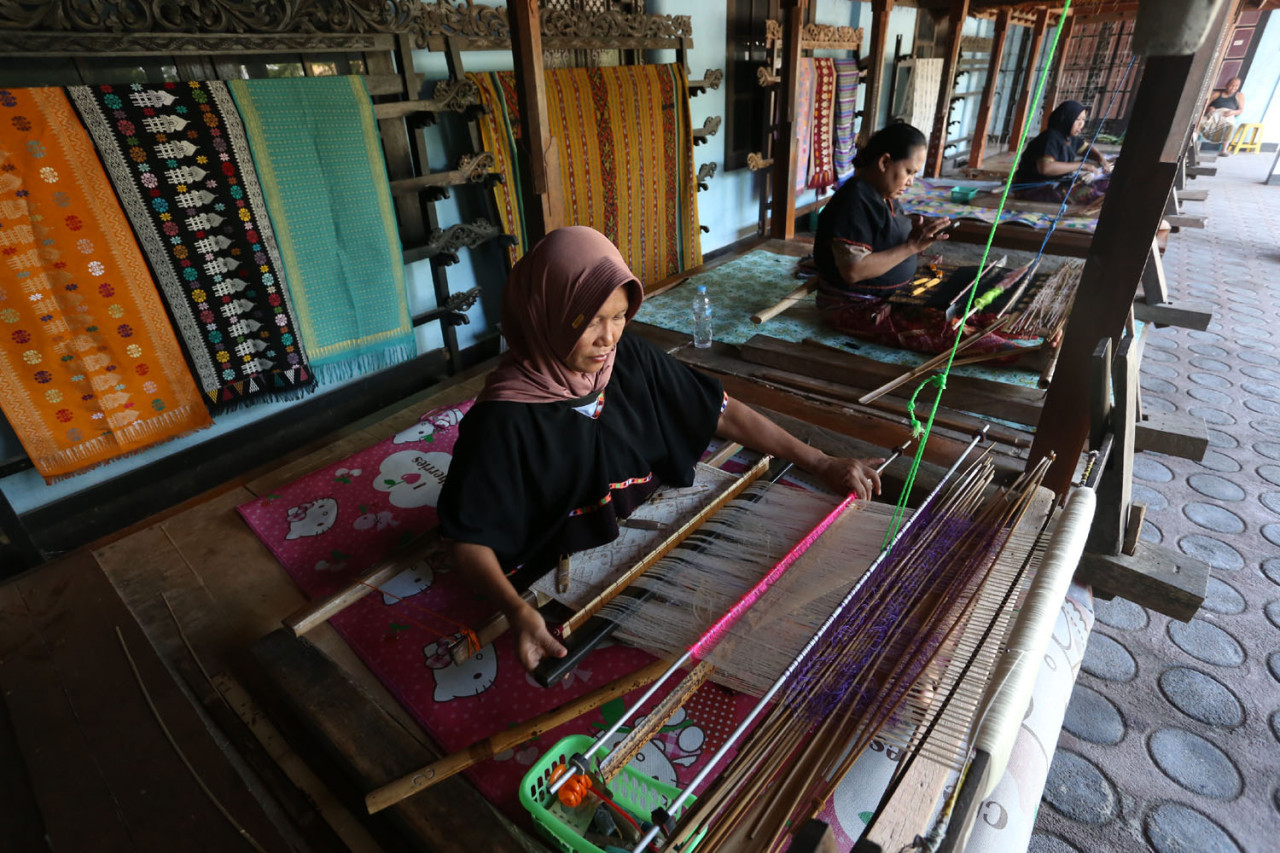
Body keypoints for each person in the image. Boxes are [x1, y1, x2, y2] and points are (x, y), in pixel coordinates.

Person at [436, 226, 885, 673]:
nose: (608, 337)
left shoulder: (627, 359)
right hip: (570, 577)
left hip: (660, 538)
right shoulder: (503, 421)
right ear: (545, 314)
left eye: (617, 316)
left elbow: (720, 411)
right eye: (589, 321)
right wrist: (517, 611)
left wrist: (820, 462)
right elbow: (467, 541)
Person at [811, 122, 1017, 357]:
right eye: (909, 172)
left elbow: (884, 229)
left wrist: (914, 228)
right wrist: (911, 246)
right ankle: (1024, 356)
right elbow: (854, 270)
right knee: (945, 326)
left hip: (894, 294)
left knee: (971, 302)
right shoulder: (854, 200)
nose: (910, 182)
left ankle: (1019, 335)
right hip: (856, 306)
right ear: (884, 162)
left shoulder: (880, 194)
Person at [1012, 100, 1111, 206]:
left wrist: (1101, 158)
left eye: (1083, 120)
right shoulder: (1050, 138)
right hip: (1033, 189)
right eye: (1077, 119)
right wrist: (1082, 166)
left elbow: (1086, 149)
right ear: (1067, 118)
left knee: (1105, 185)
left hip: (1054, 184)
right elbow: (1046, 168)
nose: (1081, 124)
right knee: (1093, 195)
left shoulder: (1070, 138)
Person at [1201, 77, 1245, 151]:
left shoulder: (1239, 95)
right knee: (1200, 123)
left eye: (1236, 86)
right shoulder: (1217, 94)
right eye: (1232, 85)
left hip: (1229, 114)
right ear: (1227, 85)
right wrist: (1209, 108)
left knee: (1230, 125)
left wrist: (1233, 112)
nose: (1233, 87)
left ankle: (1224, 150)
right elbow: (1204, 106)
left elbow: (1240, 110)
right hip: (1215, 113)